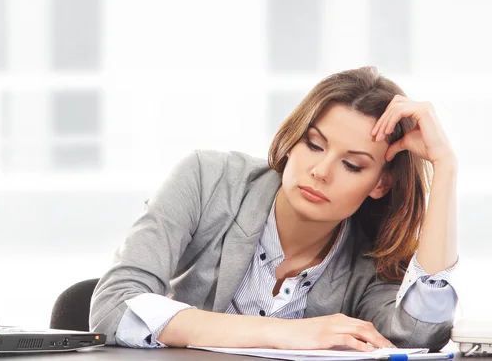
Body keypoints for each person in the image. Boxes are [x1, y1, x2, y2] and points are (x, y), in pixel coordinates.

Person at [90, 66, 458, 352]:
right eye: (314, 144)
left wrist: (445, 168)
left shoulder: (369, 259)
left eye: (352, 165)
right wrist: (284, 334)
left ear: (381, 183)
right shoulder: (207, 179)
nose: (321, 171)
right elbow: (114, 308)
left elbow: (419, 335)